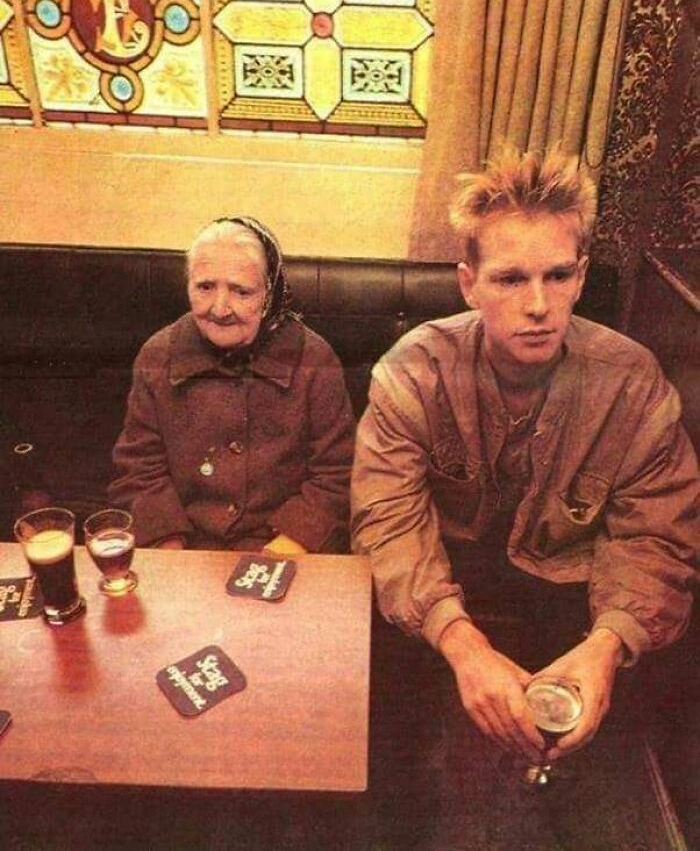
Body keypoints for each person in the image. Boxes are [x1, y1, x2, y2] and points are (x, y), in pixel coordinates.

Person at [351, 147, 698, 849]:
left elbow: (656, 537)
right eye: (510, 278)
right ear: (469, 284)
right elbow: (388, 524)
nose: (538, 305)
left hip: (577, 613)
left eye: (557, 275)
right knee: (438, 807)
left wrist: (607, 647)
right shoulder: (412, 372)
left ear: (580, 277)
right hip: (443, 614)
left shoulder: (633, 383)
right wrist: (461, 646)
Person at [110, 216, 354, 554]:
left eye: (241, 291)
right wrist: (171, 554)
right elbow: (139, 470)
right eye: (205, 287)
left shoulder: (315, 359)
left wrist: (275, 559)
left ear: (269, 295)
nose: (220, 309)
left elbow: (337, 475)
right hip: (186, 544)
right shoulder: (157, 355)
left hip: (288, 546)